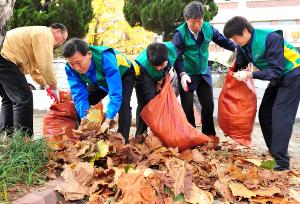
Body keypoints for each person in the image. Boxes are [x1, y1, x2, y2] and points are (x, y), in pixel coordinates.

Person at [223, 16, 300, 171]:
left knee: (281, 115)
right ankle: (274, 151)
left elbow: (276, 71)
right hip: (278, 78)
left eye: (235, 37)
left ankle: (282, 162)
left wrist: (250, 75)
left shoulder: (271, 38)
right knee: (265, 114)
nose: (235, 41)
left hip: (293, 73)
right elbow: (240, 63)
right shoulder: (243, 46)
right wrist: (232, 72)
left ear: (245, 31)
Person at [172, 1, 236, 138]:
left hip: (203, 72)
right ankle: (191, 136)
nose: (197, 26)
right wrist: (182, 74)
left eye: (199, 21)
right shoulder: (179, 34)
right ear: (186, 20)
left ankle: (209, 136)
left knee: (208, 105)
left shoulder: (208, 28)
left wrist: (238, 48)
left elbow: (222, 40)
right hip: (187, 74)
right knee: (187, 107)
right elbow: (176, 58)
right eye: (193, 22)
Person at [0, 23, 68, 136]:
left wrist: (45, 85)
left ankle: (5, 136)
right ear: (57, 31)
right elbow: (45, 64)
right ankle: (23, 140)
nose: (62, 43)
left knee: (9, 99)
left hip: (3, 57)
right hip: (6, 59)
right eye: (63, 39)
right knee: (24, 97)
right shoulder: (46, 34)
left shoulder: (36, 33)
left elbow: (33, 68)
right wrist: (54, 86)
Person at [62, 38, 135, 142]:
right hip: (99, 80)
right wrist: (85, 119)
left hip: (123, 74)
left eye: (78, 62)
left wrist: (107, 121)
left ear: (89, 54)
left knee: (123, 105)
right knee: (84, 103)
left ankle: (122, 140)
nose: (76, 68)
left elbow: (115, 93)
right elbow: (79, 95)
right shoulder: (70, 68)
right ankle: (85, 139)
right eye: (71, 64)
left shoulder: (106, 58)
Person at [134, 42, 177, 136]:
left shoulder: (173, 49)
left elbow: (179, 61)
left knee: (164, 103)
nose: (158, 68)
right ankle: (140, 135)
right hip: (143, 79)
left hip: (160, 77)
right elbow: (150, 99)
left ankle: (164, 132)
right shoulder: (142, 65)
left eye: (161, 65)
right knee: (145, 105)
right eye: (155, 66)